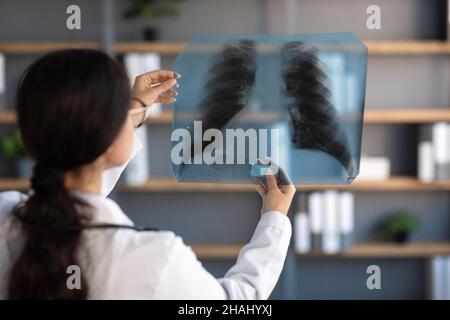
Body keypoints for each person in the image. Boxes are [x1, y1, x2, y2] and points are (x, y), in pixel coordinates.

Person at [0, 49, 295, 300]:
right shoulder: (154, 260)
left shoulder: (5, 215)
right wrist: (274, 220)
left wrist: (133, 109)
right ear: (113, 137)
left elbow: (71, 199)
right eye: (120, 116)